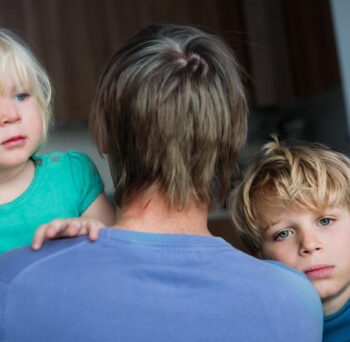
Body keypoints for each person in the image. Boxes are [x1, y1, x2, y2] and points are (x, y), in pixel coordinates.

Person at [0, 24, 322, 341]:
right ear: (232, 140)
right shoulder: (297, 300)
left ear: (101, 134)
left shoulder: (13, 288)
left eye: (20, 95)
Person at [0, 28, 115, 254]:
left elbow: (114, 256)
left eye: (21, 95)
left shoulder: (73, 174)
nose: (10, 114)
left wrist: (91, 231)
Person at [230, 136, 350, 341]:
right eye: (283, 234)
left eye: (325, 221)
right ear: (258, 254)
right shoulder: (259, 330)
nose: (309, 245)